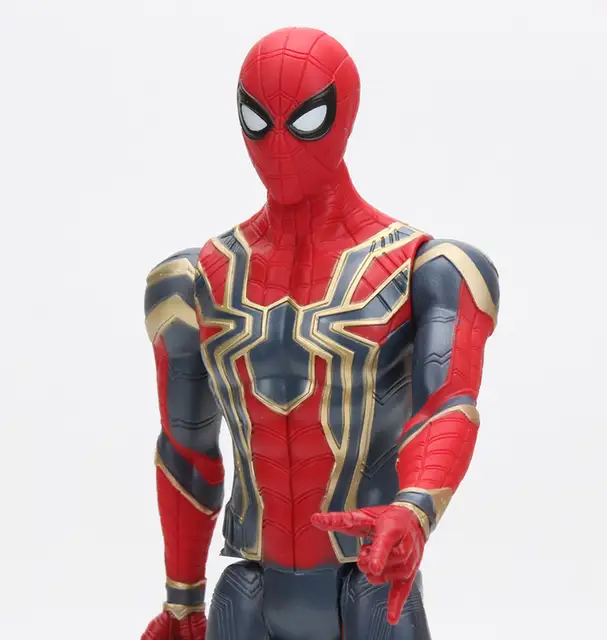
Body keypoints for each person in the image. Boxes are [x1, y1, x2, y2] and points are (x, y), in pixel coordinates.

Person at [141, 26, 499, 640]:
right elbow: (186, 447)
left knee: (373, 598)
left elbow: (447, 405)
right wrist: (181, 600)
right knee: (240, 590)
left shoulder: (427, 267)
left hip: (368, 579)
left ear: (344, 114)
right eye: (257, 122)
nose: (278, 147)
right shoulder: (195, 279)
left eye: (305, 121)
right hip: (250, 585)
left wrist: (414, 510)